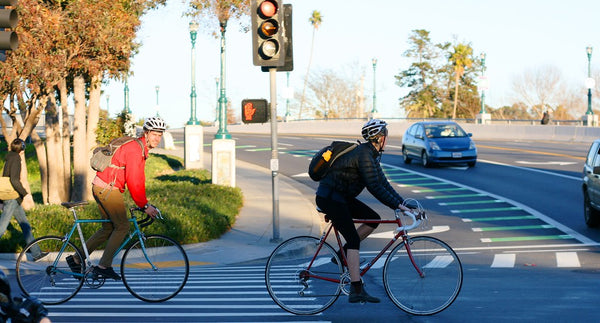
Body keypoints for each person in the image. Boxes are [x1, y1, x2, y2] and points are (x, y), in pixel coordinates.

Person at [315, 119, 413, 304]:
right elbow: (374, 187)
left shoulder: (371, 155)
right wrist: (398, 207)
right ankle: (356, 289)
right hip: (331, 198)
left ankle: (341, 256)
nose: (386, 139)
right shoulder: (364, 155)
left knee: (373, 219)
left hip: (340, 197)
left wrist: (403, 202)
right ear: (378, 138)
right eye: (384, 136)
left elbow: (383, 183)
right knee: (353, 239)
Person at [67, 117, 164, 280]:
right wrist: (144, 205)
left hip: (102, 186)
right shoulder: (135, 149)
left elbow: (137, 180)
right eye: (154, 134)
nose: (157, 138)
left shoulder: (138, 147)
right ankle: (104, 266)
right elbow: (134, 180)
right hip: (107, 188)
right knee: (123, 226)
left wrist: (143, 203)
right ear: (146, 134)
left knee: (108, 228)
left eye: (160, 135)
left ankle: (76, 258)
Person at [0, 138, 46, 262]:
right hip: (12, 197)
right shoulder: (15, 159)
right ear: (22, 148)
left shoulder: (9, 157)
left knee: (25, 225)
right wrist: (24, 193)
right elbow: (14, 180)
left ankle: (36, 253)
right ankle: (36, 253)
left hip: (12, 198)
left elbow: (5, 177)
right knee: (2, 227)